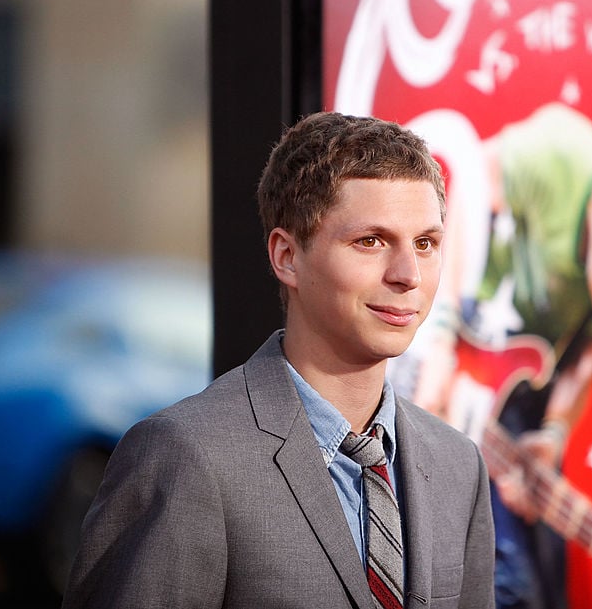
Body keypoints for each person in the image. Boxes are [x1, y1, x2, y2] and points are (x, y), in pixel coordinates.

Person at [61, 111, 496, 609]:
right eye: (370, 241)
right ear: (287, 256)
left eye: (426, 243)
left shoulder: (458, 465)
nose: (408, 274)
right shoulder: (184, 456)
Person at [397, 103, 592, 608]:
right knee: (508, 581)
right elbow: (454, 196)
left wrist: (555, 432)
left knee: (549, 581)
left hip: (520, 391)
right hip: (449, 352)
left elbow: (587, 363)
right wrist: (438, 336)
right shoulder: (562, 153)